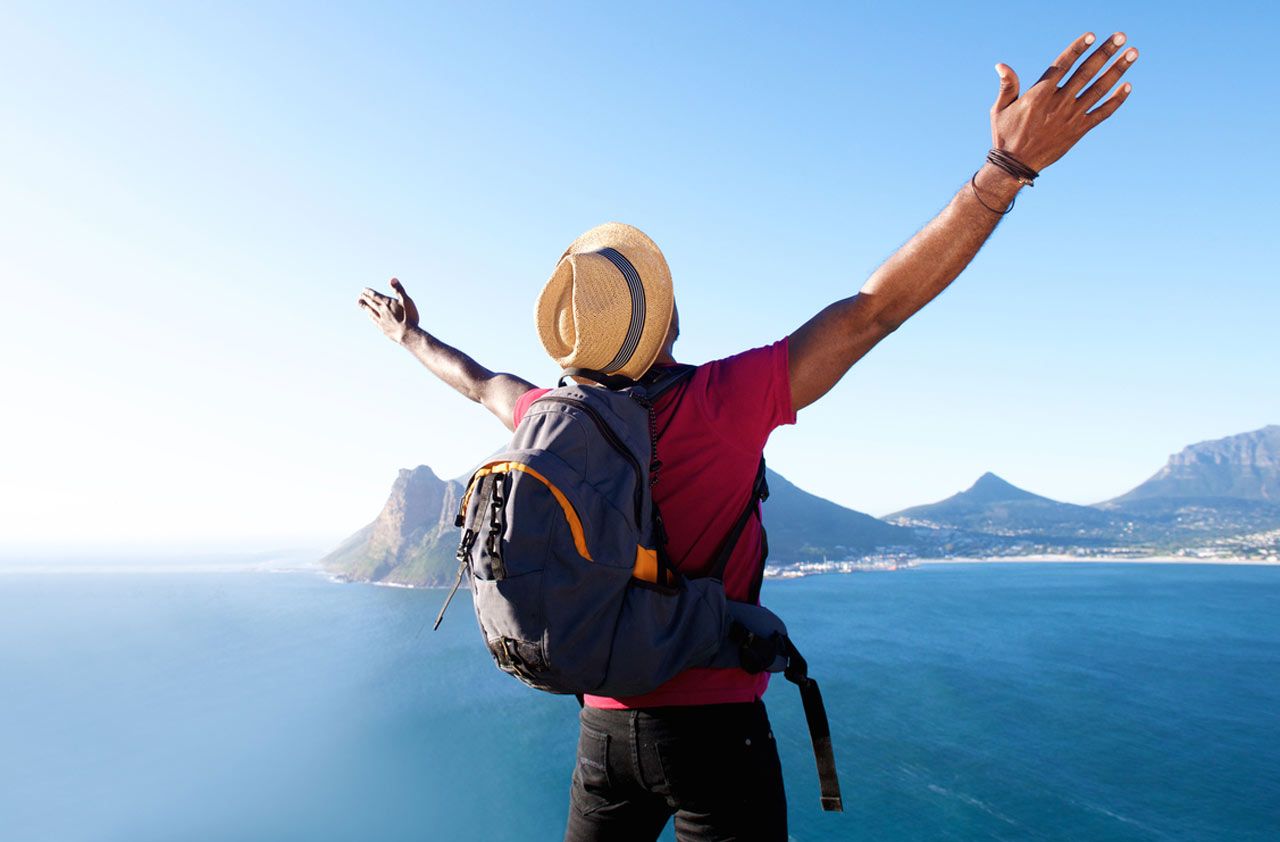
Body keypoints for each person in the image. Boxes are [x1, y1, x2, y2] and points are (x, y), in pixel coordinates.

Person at [357, 29, 1138, 842]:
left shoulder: (549, 419)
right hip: (715, 733)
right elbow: (876, 309)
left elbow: (479, 379)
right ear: (665, 322)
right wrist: (1003, 172)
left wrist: (408, 337)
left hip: (602, 736)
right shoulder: (725, 400)